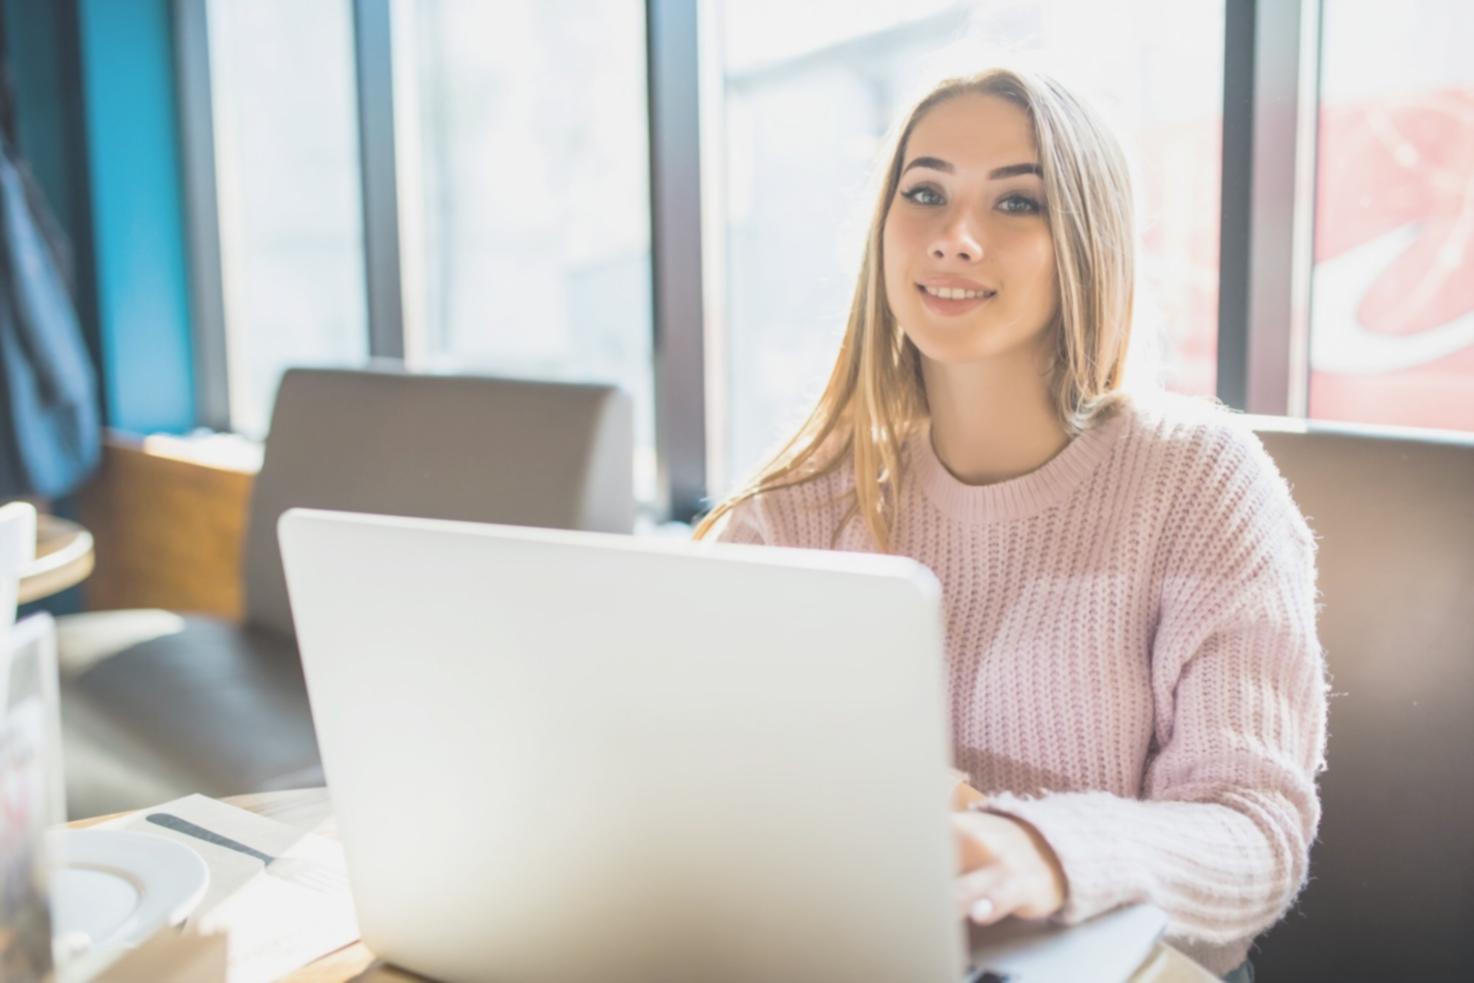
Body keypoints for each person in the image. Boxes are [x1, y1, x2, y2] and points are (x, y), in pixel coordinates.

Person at [693, 67, 1326, 983]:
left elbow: (1255, 834)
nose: (954, 237)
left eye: (1017, 202)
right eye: (925, 191)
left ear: (1086, 243)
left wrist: (1045, 849)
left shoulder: (1198, 480)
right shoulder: (801, 501)